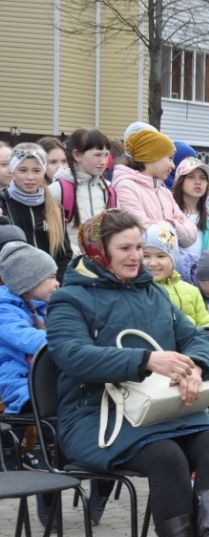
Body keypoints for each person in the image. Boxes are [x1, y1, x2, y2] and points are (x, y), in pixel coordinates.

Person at [45, 209, 209, 537]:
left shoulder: (152, 292)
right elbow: (71, 355)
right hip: (97, 415)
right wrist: (147, 360)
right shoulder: (70, 298)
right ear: (98, 251)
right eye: (125, 248)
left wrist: (194, 367)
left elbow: (196, 336)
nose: (137, 257)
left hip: (160, 408)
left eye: (140, 246)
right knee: (166, 457)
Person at [110, 129, 198, 248]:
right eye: (170, 158)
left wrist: (167, 224)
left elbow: (191, 237)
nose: (173, 166)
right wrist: (173, 226)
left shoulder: (165, 192)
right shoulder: (126, 187)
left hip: (166, 263)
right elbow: (143, 232)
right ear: (152, 156)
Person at [0, 241, 58, 414]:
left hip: (42, 378)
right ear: (29, 281)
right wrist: (63, 339)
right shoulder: (4, 310)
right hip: (18, 381)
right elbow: (25, 338)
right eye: (51, 277)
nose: (57, 283)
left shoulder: (43, 307)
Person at [0, 143, 72, 280]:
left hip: (49, 287)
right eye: (23, 170)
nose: (30, 177)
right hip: (12, 285)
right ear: (12, 170)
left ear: (44, 171)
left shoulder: (55, 207)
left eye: (37, 170)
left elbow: (64, 254)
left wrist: (56, 282)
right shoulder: (3, 204)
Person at [143, 222, 209, 327]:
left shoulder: (192, 292)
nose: (152, 263)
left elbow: (206, 328)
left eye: (161, 256)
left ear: (173, 258)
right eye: (146, 256)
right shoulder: (137, 291)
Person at [48, 128, 115, 233]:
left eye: (106, 155)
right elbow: (49, 233)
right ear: (77, 155)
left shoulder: (108, 190)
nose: (103, 161)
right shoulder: (57, 190)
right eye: (97, 155)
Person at [171, 156, 209, 258]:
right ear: (179, 181)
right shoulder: (168, 212)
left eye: (203, 178)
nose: (198, 182)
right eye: (191, 177)